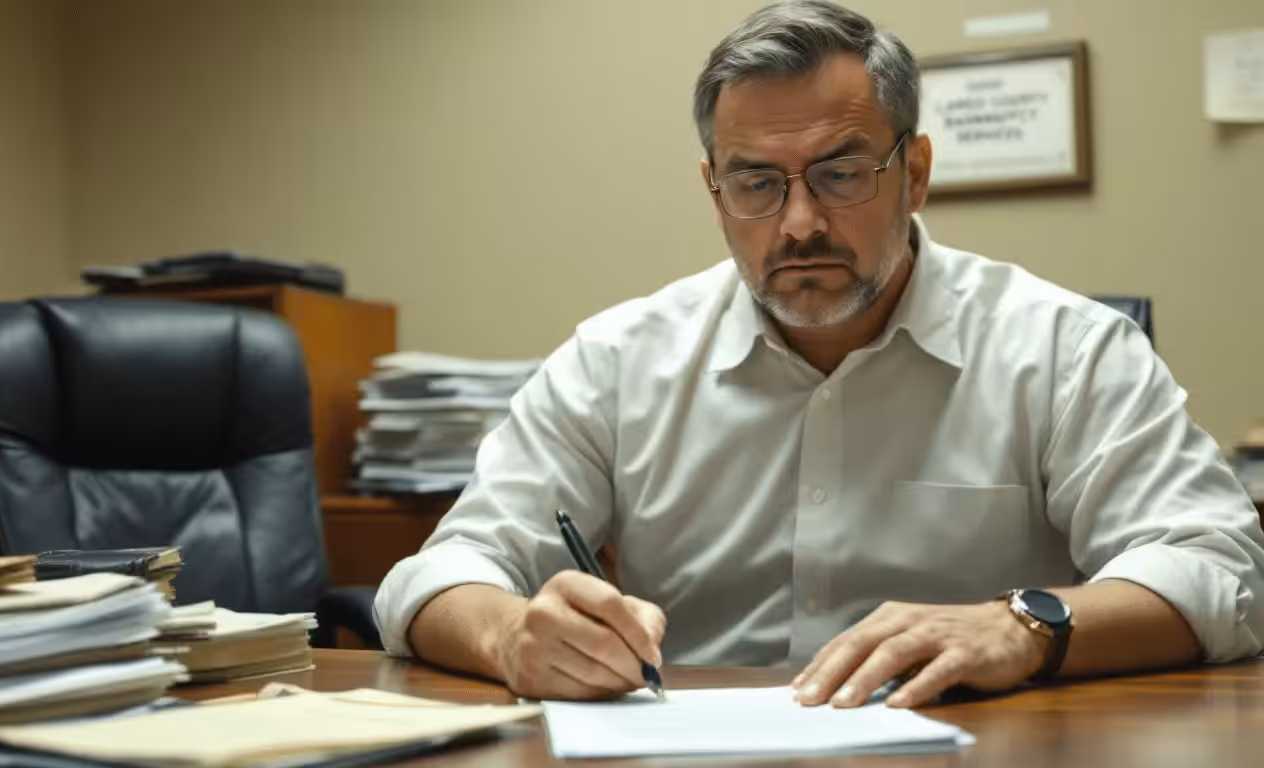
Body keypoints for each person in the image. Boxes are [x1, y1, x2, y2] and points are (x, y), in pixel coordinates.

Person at [374, 0, 1264, 708]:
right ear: (715, 192)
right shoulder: (616, 360)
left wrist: (1022, 627)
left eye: (841, 173)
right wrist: (508, 634)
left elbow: (1221, 569)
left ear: (913, 174)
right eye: (757, 182)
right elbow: (439, 574)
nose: (799, 224)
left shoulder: (1066, 350)